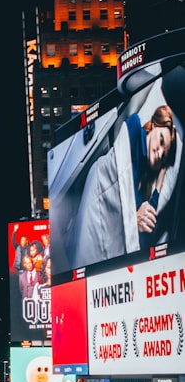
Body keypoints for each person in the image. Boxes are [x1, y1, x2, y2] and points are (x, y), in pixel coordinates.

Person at [71, 101, 180, 267]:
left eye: (164, 157)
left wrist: (161, 176)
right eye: (161, 141)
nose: (159, 153)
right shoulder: (134, 130)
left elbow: (149, 215)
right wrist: (132, 220)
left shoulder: (144, 184)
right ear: (153, 126)